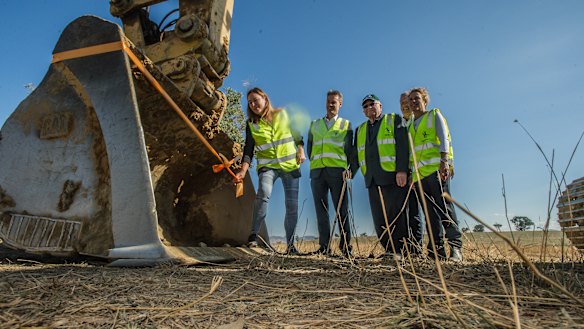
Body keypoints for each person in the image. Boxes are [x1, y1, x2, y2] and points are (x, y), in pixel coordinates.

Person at [234, 87, 306, 255]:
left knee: (292, 206)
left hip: (290, 166)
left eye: (255, 100)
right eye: (250, 102)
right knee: (263, 193)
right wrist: (243, 172)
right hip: (268, 167)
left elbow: (297, 135)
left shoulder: (283, 114)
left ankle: (291, 246)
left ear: (265, 99)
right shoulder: (251, 124)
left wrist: (301, 150)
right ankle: (253, 238)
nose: (253, 104)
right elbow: (248, 150)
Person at [407, 87, 462, 261]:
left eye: (417, 98)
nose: (414, 102)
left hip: (435, 171)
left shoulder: (433, 116)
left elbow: (444, 139)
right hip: (419, 176)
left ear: (425, 100)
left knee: (445, 209)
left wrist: (445, 162)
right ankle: (437, 252)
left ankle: (455, 248)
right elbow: (411, 152)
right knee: (430, 214)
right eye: (411, 100)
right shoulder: (409, 125)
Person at [352, 94, 409, 259]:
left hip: (392, 176)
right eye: (365, 106)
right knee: (379, 217)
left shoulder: (394, 120)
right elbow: (357, 155)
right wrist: (350, 170)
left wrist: (402, 170)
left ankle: (400, 250)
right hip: (371, 179)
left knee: (396, 214)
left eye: (372, 104)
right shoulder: (360, 129)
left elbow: (403, 146)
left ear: (380, 106)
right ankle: (389, 249)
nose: (369, 108)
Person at [307, 90, 354, 257]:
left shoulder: (345, 125)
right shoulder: (315, 124)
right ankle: (324, 246)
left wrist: (351, 171)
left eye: (334, 102)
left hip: (337, 173)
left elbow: (351, 151)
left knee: (342, 211)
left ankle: (346, 247)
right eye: (328, 101)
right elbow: (309, 148)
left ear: (340, 104)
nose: (330, 105)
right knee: (321, 211)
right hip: (317, 173)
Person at [400, 92, 423, 254]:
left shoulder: (418, 122)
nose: (404, 105)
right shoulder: (399, 124)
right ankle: (408, 245)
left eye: (406, 102)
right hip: (403, 173)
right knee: (407, 210)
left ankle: (417, 247)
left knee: (419, 211)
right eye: (401, 103)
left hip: (420, 171)